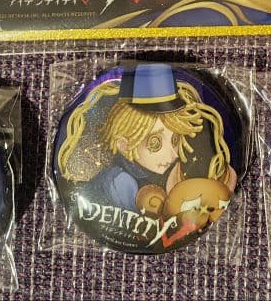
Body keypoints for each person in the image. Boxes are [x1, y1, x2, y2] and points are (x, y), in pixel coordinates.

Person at [88, 64, 236, 215]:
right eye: (155, 143)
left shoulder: (156, 174)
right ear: (124, 145)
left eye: (175, 140)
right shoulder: (121, 182)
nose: (174, 154)